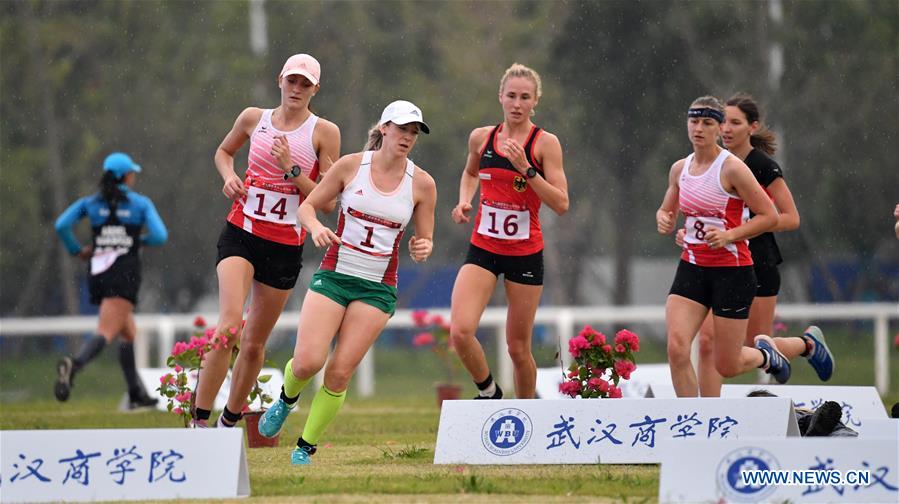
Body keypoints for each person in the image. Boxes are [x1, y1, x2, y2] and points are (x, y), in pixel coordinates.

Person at [256, 100, 436, 465]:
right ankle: (287, 400)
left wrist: (423, 247)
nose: (407, 137)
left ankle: (305, 448)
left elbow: (424, 240)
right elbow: (307, 207)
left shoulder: (424, 184)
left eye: (413, 132)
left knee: (338, 373)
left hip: (376, 288)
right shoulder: (351, 166)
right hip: (335, 277)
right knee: (307, 363)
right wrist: (317, 228)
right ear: (383, 128)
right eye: (401, 129)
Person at [192, 53, 341, 428]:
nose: (297, 89)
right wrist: (227, 176)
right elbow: (224, 152)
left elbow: (329, 200)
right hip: (241, 232)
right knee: (228, 328)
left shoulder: (324, 132)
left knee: (254, 343)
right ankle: (197, 422)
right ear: (280, 80)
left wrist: (292, 168)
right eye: (292, 81)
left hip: (284, 246)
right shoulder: (252, 119)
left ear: (315, 90)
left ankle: (228, 422)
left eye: (305, 84)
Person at [678, 94, 833, 397]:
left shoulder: (760, 165)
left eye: (736, 123)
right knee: (708, 343)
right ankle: (707, 416)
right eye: (726, 122)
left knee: (749, 346)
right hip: (716, 263)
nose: (728, 130)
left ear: (753, 127)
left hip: (757, 262)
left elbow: (789, 217)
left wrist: (740, 227)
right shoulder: (703, 165)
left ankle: (806, 344)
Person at [656, 95, 803, 398]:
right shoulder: (679, 168)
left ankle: (766, 355)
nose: (698, 128)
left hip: (731, 272)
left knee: (728, 364)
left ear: (719, 127)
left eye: (707, 123)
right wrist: (665, 219)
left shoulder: (733, 169)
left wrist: (730, 235)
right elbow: (667, 208)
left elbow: (769, 216)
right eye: (694, 121)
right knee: (677, 347)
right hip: (692, 267)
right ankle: (691, 423)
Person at [448, 63, 568, 400]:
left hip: (525, 253)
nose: (517, 103)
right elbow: (471, 172)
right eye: (511, 95)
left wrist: (527, 170)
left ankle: (526, 416)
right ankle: (489, 392)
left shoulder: (545, 144)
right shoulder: (481, 137)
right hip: (484, 247)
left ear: (535, 102)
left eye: (525, 97)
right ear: (500, 96)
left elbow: (561, 203)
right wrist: (464, 201)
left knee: (517, 348)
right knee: (460, 331)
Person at [54, 152, 168, 409]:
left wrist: (77, 250)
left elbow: (62, 225)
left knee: (128, 332)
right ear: (127, 176)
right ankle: (74, 365)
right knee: (107, 330)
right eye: (133, 173)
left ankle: (135, 393)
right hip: (125, 273)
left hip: (99, 271)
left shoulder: (91, 203)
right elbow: (160, 236)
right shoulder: (140, 204)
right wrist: (137, 242)